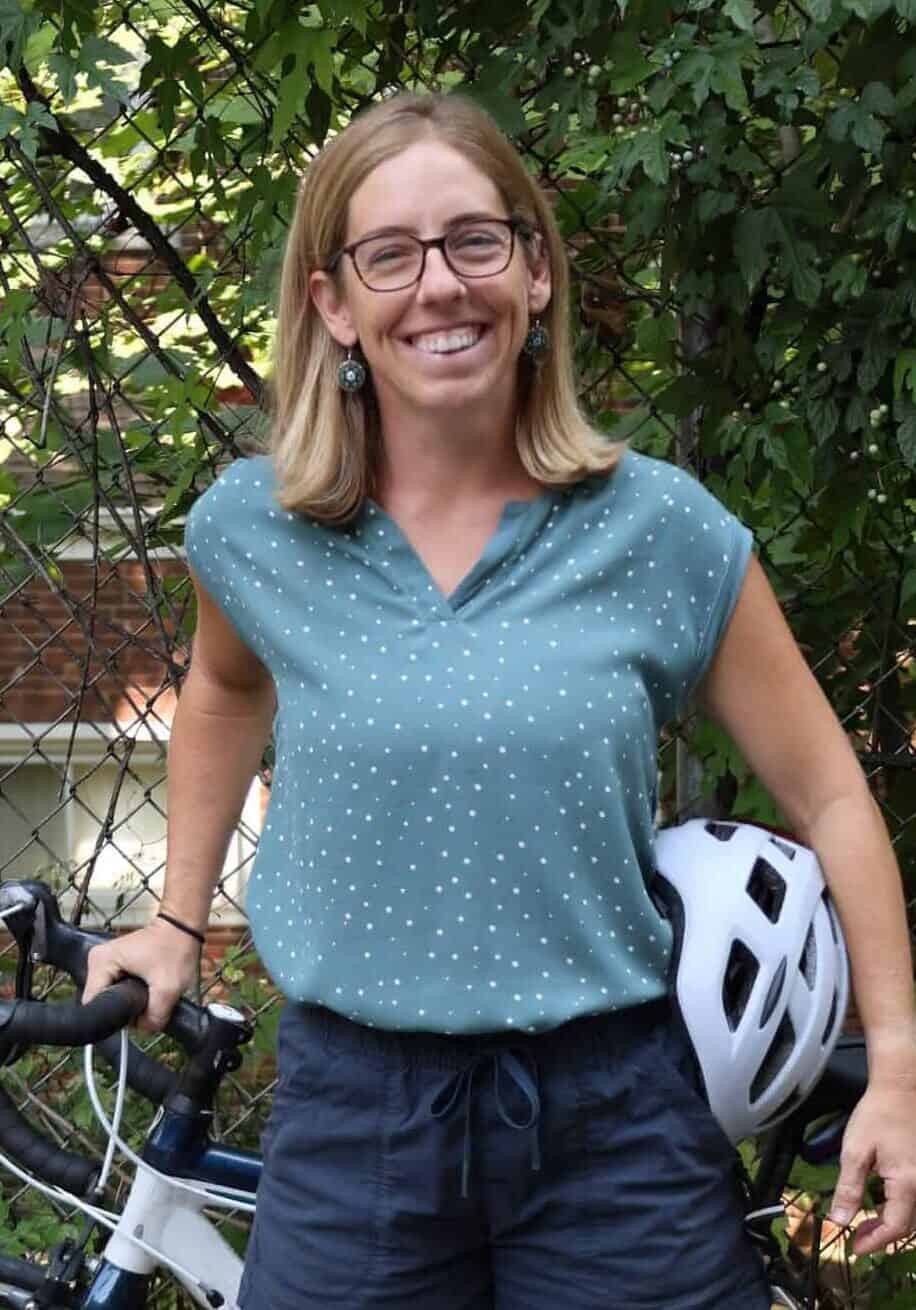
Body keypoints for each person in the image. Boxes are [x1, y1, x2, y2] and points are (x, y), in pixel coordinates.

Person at [83, 91, 916, 1309]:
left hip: (613, 1124)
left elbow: (831, 789)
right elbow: (219, 688)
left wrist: (895, 1056)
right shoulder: (256, 531)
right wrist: (174, 915)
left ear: (533, 272)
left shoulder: (659, 531)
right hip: (353, 1125)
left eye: (476, 240)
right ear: (334, 305)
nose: (439, 285)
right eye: (390, 254)